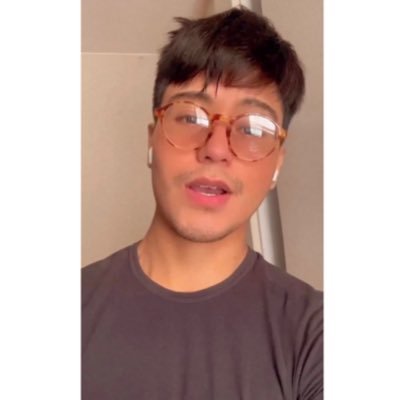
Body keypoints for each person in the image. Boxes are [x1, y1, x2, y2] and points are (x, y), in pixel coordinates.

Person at [82, 6, 323, 400]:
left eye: (253, 127)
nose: (216, 149)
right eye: (191, 117)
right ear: (152, 139)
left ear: (277, 164)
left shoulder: (316, 335)